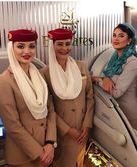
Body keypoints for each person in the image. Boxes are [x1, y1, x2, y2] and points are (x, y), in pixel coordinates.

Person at [0, 29, 56, 167]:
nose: (27, 51)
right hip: (23, 156)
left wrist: (50, 143)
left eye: (31, 46)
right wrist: (40, 152)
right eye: (21, 46)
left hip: (47, 148)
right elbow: (13, 126)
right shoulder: (4, 81)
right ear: (12, 48)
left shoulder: (38, 75)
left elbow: (50, 110)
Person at [41, 28, 94, 167]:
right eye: (59, 44)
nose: (64, 48)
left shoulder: (81, 66)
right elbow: (47, 109)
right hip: (62, 133)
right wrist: (68, 130)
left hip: (83, 130)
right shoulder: (45, 73)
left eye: (68, 43)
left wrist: (87, 124)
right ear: (52, 46)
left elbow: (90, 97)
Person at [91, 23, 137, 143]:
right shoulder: (114, 58)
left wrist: (99, 79)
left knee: (133, 157)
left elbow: (116, 92)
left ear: (129, 40)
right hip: (117, 112)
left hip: (130, 114)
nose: (116, 38)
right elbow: (106, 78)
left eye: (121, 36)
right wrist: (103, 79)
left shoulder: (132, 61)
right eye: (114, 35)